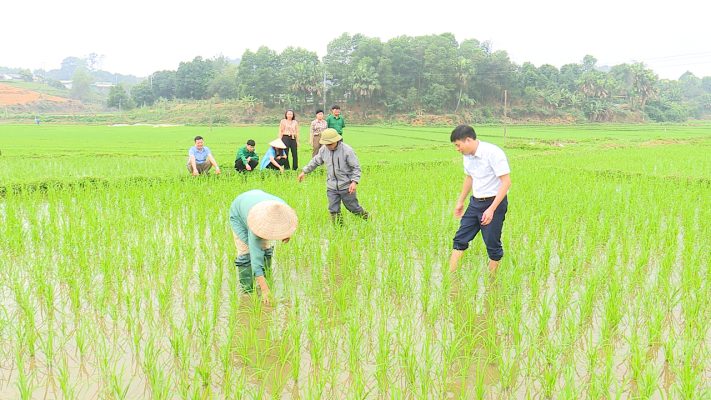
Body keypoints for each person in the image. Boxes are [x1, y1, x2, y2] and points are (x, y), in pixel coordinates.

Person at [448, 125, 511, 274]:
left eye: (458, 145)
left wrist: (491, 209)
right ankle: (450, 276)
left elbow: (506, 182)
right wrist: (460, 201)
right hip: (475, 203)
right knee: (460, 239)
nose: (457, 149)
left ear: (468, 140)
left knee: (492, 244)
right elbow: (469, 177)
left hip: (493, 203)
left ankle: (492, 282)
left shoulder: (493, 153)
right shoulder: (467, 156)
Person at [229, 189, 298, 304]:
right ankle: (248, 292)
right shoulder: (257, 227)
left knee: (265, 249)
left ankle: (265, 279)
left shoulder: (282, 208)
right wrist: (265, 290)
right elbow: (255, 260)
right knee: (247, 253)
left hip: (256, 203)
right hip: (239, 214)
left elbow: (288, 222)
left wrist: (285, 233)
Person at [298, 128, 369, 224]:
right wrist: (304, 171)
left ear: (336, 141)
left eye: (330, 144)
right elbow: (315, 161)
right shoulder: (324, 150)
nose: (328, 146)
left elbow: (356, 167)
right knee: (333, 209)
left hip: (346, 186)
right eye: (326, 144)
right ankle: (339, 229)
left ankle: (367, 217)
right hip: (331, 186)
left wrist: (354, 182)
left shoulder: (347, 150)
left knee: (353, 208)